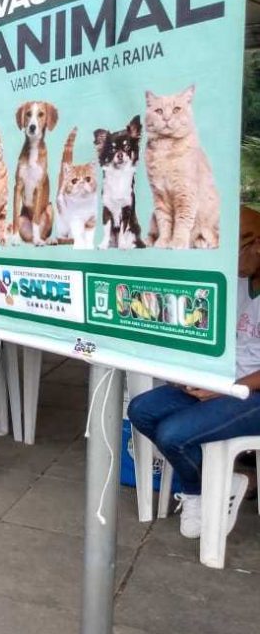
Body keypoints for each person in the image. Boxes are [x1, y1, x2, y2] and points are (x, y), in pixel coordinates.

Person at [127, 205, 260, 539]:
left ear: (258, 244)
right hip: (224, 384)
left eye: (237, 248)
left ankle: (204, 490)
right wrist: (191, 372)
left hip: (250, 393)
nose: (230, 258)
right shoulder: (240, 284)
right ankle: (213, 485)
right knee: (141, 410)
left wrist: (226, 387)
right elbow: (217, 340)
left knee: (174, 434)